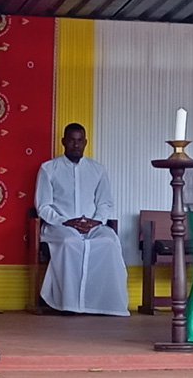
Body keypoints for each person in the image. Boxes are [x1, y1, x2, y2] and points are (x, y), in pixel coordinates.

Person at [34, 123, 129, 316]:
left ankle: (104, 304)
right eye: (71, 140)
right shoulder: (48, 168)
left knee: (109, 242)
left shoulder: (97, 169)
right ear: (63, 142)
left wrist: (96, 221)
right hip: (58, 226)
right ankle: (69, 304)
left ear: (85, 143)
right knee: (71, 242)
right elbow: (43, 205)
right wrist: (65, 222)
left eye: (79, 141)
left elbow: (105, 202)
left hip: (92, 225)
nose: (75, 145)